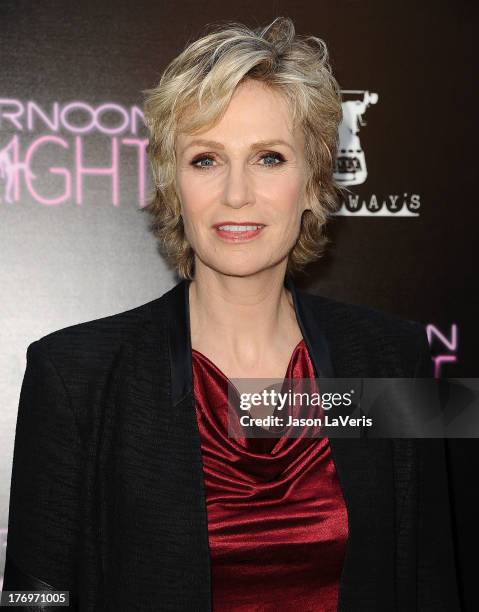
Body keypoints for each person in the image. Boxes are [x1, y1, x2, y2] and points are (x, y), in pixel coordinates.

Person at [2, 16, 461, 612]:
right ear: (174, 184)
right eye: (206, 160)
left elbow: (430, 581)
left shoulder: (393, 359)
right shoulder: (75, 374)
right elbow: (35, 598)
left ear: (313, 182)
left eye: (269, 158)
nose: (236, 194)